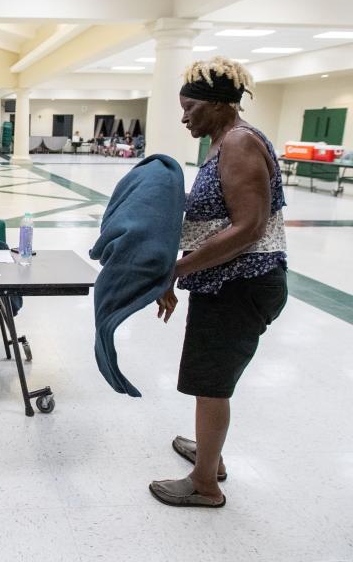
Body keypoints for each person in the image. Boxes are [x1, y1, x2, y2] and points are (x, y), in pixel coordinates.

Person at [150, 56, 288, 508]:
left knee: (211, 382)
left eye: (190, 106)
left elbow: (248, 227)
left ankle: (205, 482)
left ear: (218, 104)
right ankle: (211, 454)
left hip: (242, 284)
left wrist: (177, 269)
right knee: (209, 376)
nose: (184, 116)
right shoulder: (223, 141)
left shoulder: (238, 143)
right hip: (225, 281)